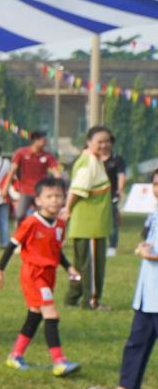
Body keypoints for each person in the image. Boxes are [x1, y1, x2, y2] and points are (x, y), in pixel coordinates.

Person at [84, 168, 158, 389]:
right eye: (156, 184)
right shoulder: (154, 216)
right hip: (147, 296)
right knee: (137, 342)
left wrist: (151, 255)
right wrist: (144, 247)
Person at [0, 176, 80, 375]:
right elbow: (12, 245)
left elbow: (56, 251)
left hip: (49, 275)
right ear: (38, 200)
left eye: (58, 196)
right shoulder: (31, 222)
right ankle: (59, 361)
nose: (55, 200)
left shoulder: (59, 224)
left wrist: (69, 268)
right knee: (51, 314)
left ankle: (15, 355)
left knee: (35, 315)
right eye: (49, 196)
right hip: (34, 274)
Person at [64, 125, 114, 310]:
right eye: (99, 142)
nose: (104, 145)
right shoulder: (89, 163)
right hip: (90, 226)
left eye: (107, 141)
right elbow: (77, 189)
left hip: (89, 225)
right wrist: (67, 209)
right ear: (89, 142)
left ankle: (72, 297)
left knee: (81, 265)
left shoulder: (94, 160)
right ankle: (91, 301)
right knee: (92, 267)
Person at [9, 130, 59, 220]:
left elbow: (56, 172)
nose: (45, 143)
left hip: (40, 191)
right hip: (25, 190)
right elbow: (12, 170)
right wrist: (5, 187)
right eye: (43, 141)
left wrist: (58, 185)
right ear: (35, 140)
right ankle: (21, 233)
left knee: (45, 215)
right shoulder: (21, 153)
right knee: (19, 215)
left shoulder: (48, 156)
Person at [105, 139, 128, 254]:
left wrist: (120, 189)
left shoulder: (117, 160)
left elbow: (121, 176)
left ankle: (112, 246)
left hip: (111, 194)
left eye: (107, 142)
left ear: (112, 144)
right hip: (95, 196)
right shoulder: (94, 158)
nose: (104, 145)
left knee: (112, 220)